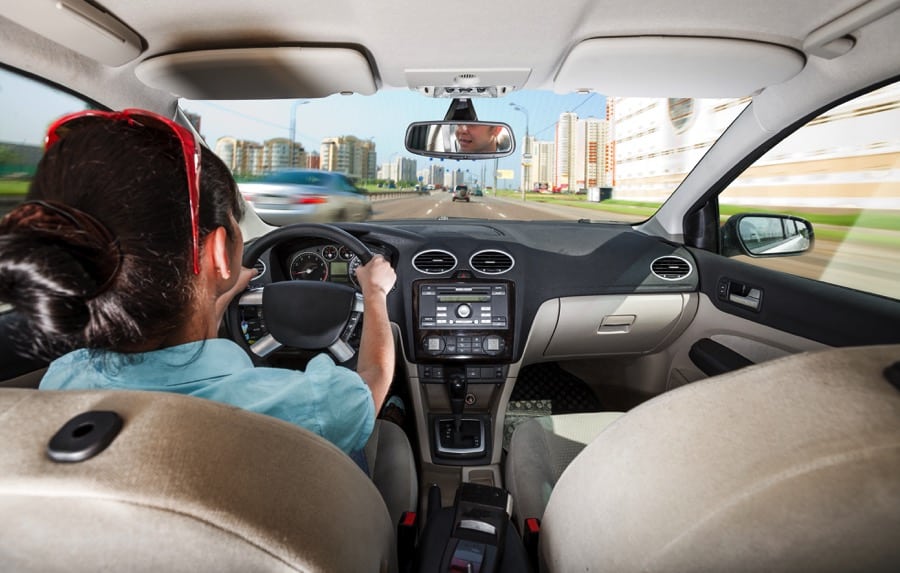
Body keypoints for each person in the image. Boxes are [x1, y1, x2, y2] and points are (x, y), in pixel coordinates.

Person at [0, 109, 396, 457]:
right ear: (220, 253)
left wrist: (218, 292)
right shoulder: (303, 406)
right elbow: (373, 381)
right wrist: (374, 294)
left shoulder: (64, 377)